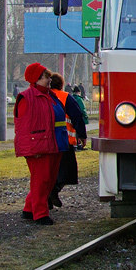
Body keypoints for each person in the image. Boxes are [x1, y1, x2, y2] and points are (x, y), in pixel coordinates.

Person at [15, 63, 68, 224]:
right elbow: (24, 126)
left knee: (48, 180)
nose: (49, 79)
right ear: (37, 79)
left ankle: (29, 209)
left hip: (53, 144)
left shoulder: (49, 95)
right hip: (41, 147)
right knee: (42, 181)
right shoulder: (28, 97)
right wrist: (33, 148)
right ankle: (40, 214)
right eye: (46, 76)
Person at [48, 73, 87, 210]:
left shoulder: (43, 96)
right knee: (66, 171)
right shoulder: (65, 97)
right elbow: (77, 116)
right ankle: (53, 192)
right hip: (64, 141)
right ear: (61, 84)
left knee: (47, 171)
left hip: (46, 142)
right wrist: (82, 135)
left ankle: (47, 197)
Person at [69, 85, 89, 150]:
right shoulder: (79, 99)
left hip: (71, 118)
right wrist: (85, 116)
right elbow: (82, 109)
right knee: (79, 131)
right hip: (79, 117)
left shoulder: (70, 98)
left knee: (74, 131)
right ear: (79, 92)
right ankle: (79, 144)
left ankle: (75, 144)